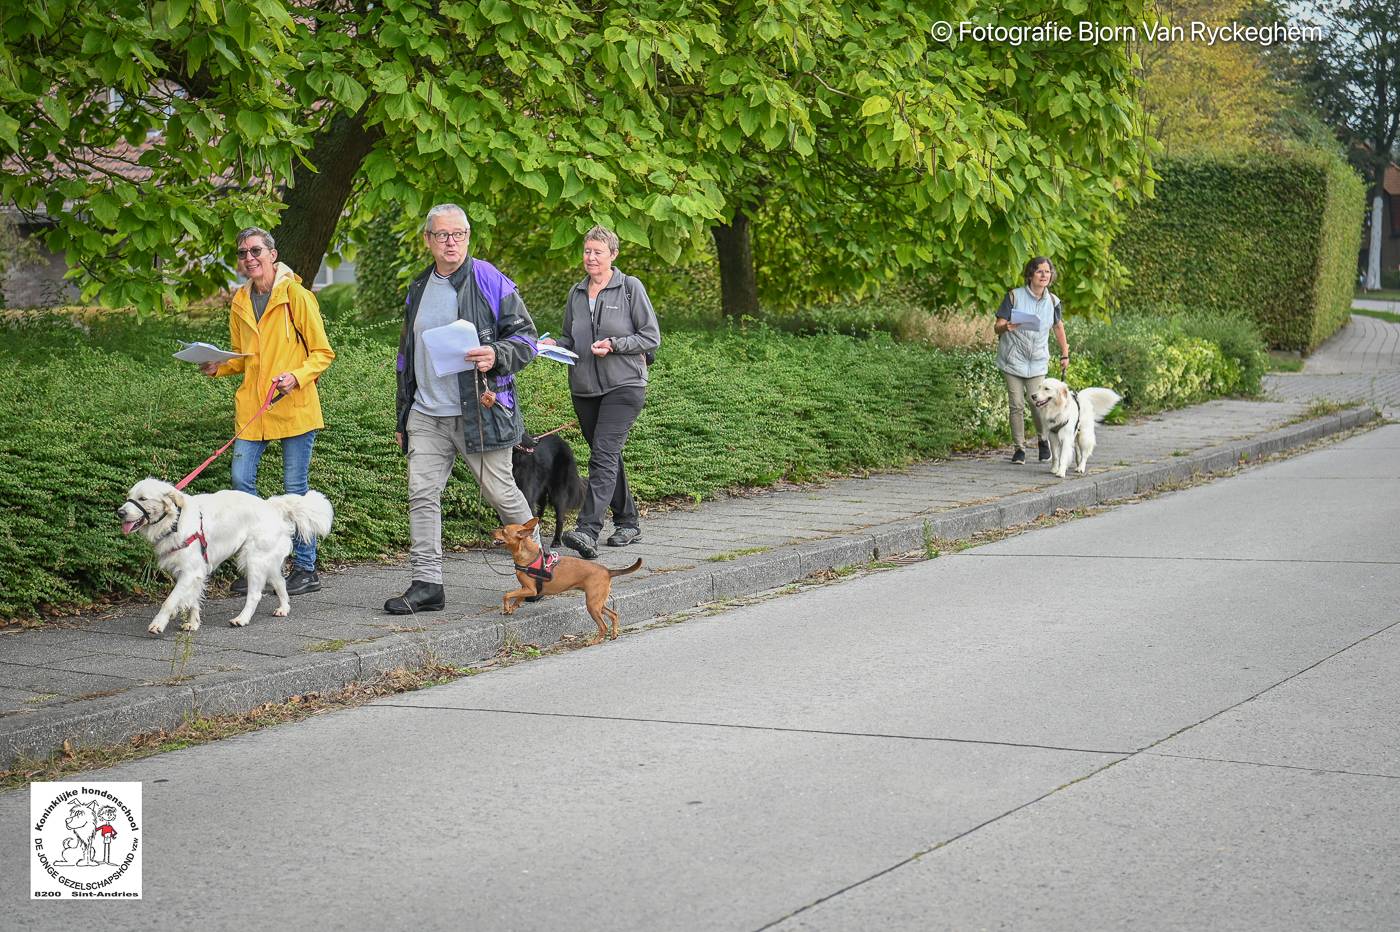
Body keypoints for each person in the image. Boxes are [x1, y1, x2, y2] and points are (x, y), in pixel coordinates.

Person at [385, 204, 540, 614]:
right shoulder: (418, 287)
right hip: (427, 413)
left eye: (458, 234)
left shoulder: (488, 278)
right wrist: (404, 415)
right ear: (428, 240)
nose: (450, 242)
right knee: (421, 494)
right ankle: (427, 583)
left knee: (501, 492)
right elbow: (407, 356)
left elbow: (527, 339)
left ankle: (539, 571)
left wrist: (495, 352)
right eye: (441, 235)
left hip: (480, 412)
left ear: (468, 237)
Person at [201, 227, 335, 594]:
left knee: (295, 490)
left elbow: (322, 353)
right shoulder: (239, 300)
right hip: (253, 410)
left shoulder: (297, 296)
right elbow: (243, 358)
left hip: (293, 406)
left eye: (256, 250)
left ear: (272, 254)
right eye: (242, 253)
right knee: (241, 485)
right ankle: (258, 566)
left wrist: (298, 376)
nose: (249, 258)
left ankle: (306, 569)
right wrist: (219, 366)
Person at [540, 225, 660, 559]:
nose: (591, 257)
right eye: (587, 251)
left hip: (625, 385)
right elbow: (569, 338)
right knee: (608, 455)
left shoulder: (629, 288)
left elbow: (651, 337)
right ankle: (628, 521)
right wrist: (552, 345)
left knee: (603, 456)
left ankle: (588, 531)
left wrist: (616, 344)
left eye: (598, 252)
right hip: (584, 389)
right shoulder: (576, 293)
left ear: (613, 255)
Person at [994, 256, 1071, 465]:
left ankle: (1043, 440)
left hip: (1037, 361)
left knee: (1037, 403)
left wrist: (1065, 354)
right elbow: (997, 325)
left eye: (1047, 272)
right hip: (1013, 359)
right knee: (1016, 404)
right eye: (1039, 271)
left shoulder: (1053, 301)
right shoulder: (1014, 296)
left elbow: (1058, 327)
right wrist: (1006, 327)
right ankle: (1019, 448)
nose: (1044, 275)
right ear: (1030, 274)